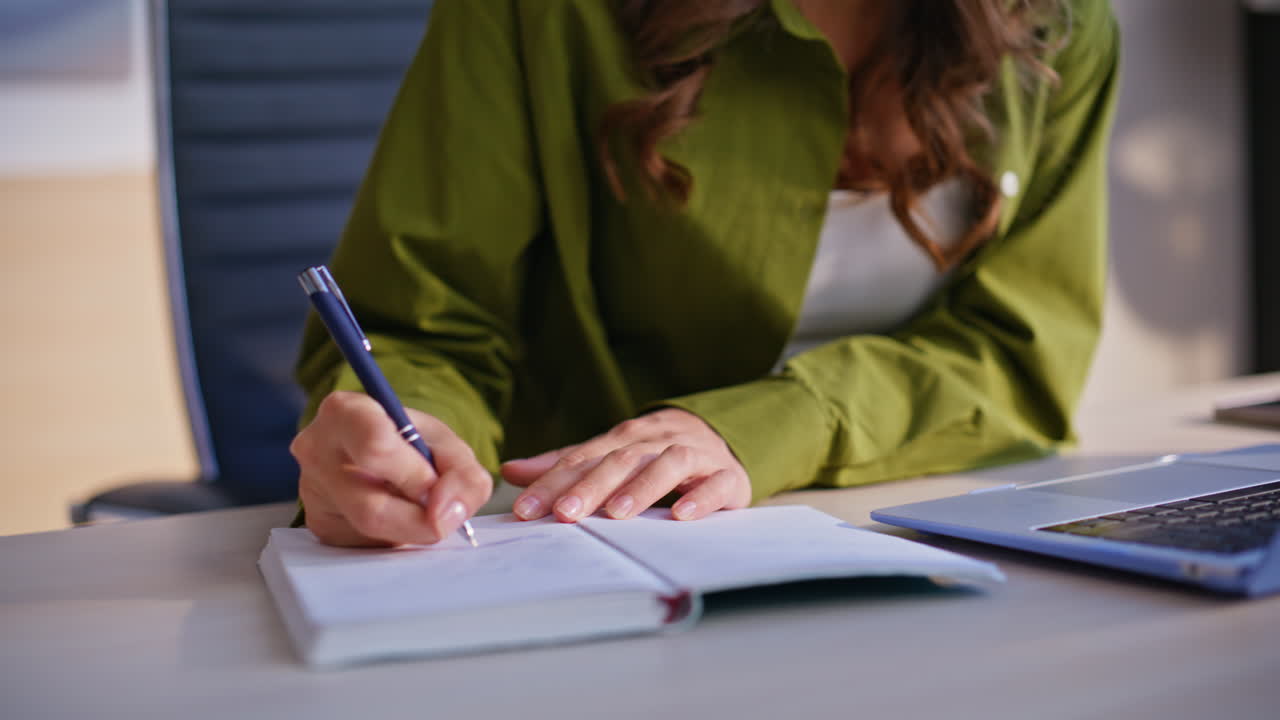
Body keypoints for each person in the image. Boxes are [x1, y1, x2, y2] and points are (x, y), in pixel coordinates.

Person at [290, 0, 1119, 547]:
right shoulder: (539, 16)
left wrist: (765, 427)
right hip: (572, 552)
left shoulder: (1057, 28)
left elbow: (1019, 353)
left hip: (913, 533)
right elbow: (425, 323)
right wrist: (409, 436)